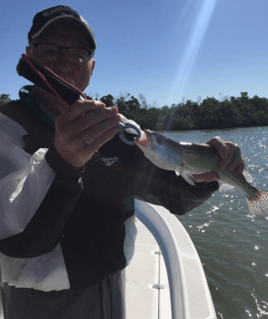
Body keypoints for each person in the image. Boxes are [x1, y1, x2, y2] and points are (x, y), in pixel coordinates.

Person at [0, 5, 244, 319]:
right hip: (39, 302)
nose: (63, 61)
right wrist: (62, 162)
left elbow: (172, 193)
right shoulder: (7, 128)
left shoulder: (116, 126)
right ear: (29, 57)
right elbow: (12, 236)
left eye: (77, 53)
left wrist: (204, 173)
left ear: (91, 67)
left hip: (112, 286)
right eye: (49, 50)